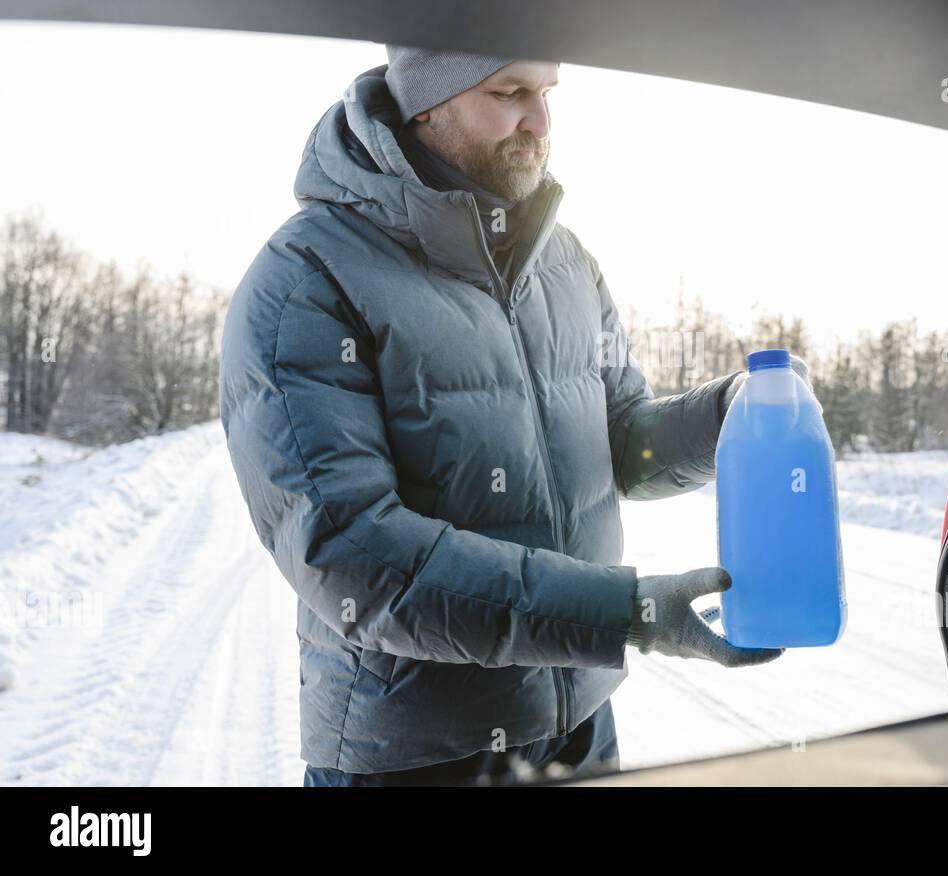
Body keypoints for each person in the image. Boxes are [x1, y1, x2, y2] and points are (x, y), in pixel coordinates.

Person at [218, 46, 809, 787]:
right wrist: (626, 614)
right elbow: (355, 558)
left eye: (548, 91)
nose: (541, 120)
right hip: (415, 756)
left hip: (578, 730)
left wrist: (730, 415)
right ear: (425, 105)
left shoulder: (564, 262)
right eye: (510, 92)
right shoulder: (306, 282)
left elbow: (624, 447)